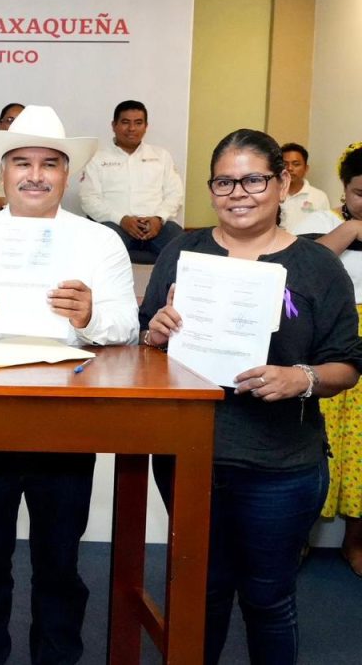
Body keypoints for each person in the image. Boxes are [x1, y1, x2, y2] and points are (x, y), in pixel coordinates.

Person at [142, 129, 362, 664]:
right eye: (224, 182)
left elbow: (347, 365)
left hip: (280, 463)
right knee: (203, 592)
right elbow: (142, 346)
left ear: (282, 183)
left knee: (268, 599)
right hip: (191, 455)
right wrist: (155, 333)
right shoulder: (182, 251)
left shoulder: (317, 266)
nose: (238, 193)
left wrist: (301, 379)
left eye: (254, 180)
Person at [0, 105, 138, 665]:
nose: (35, 175)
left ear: (68, 175)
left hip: (66, 416)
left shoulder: (99, 242)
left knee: (60, 561)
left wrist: (90, 316)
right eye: (21, 162)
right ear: (2, 173)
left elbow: (128, 326)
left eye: (49, 164)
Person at [293, 141, 362, 576]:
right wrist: (351, 228)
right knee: (317, 443)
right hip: (329, 343)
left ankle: (356, 541)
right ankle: (297, 538)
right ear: (344, 189)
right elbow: (305, 268)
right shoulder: (322, 221)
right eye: (360, 193)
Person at [78, 99, 184, 257]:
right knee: (103, 247)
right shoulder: (96, 158)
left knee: (181, 248)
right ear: (114, 125)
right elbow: (88, 199)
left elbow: (175, 194)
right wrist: (121, 219)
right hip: (115, 225)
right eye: (125, 122)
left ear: (146, 126)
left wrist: (158, 218)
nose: (132, 128)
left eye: (138, 123)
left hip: (156, 226)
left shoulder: (161, 156)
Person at [280, 142, 331, 231]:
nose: (290, 168)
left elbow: (325, 228)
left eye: (296, 164)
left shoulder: (319, 197)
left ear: (306, 168)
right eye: (285, 164)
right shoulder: (271, 193)